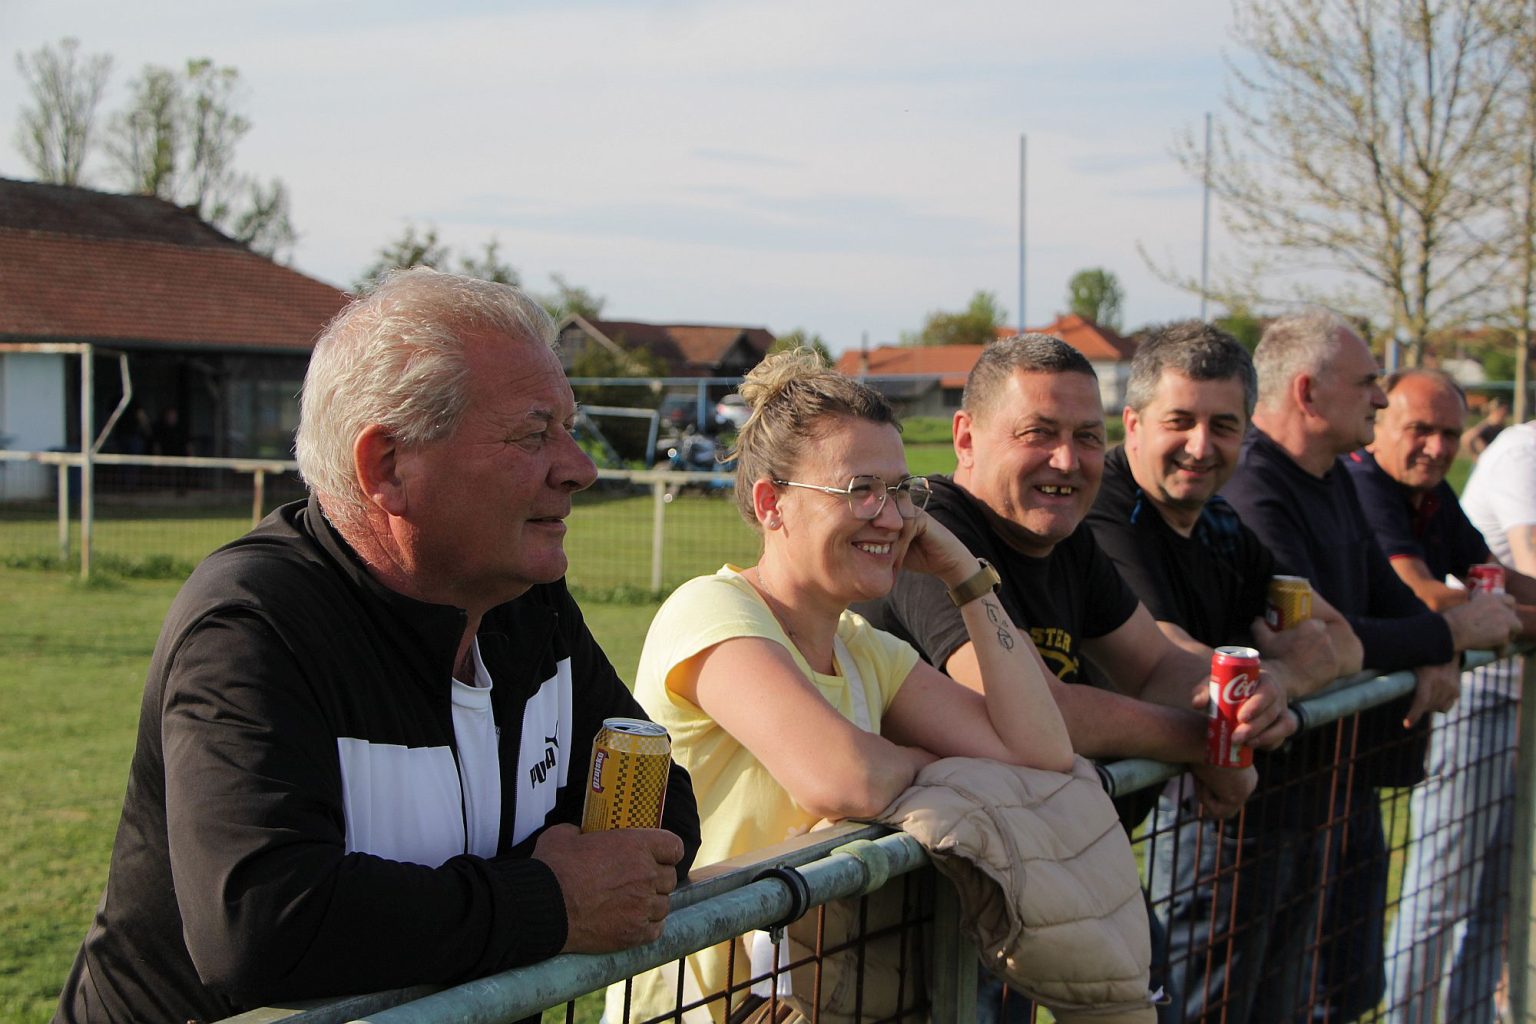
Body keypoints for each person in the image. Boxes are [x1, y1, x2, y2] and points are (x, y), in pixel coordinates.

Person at [54, 268, 701, 1024]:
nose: (580, 468)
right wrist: (548, 900)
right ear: (387, 467)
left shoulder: (528, 607)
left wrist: (554, 891)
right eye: (533, 435)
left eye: (568, 427)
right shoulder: (255, 623)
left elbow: (664, 808)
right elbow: (260, 925)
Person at [609, 348, 1076, 1024]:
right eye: (861, 490)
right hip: (695, 1008)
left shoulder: (862, 647)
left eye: (901, 490)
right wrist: (942, 768)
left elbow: (1042, 751)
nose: (893, 517)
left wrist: (966, 577)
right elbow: (844, 779)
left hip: (812, 1002)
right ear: (771, 504)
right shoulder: (711, 611)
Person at [856, 333, 1294, 1023]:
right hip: (928, 907)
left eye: (1088, 437)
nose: (1067, 460)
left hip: (1037, 865)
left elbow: (1155, 663)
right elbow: (1036, 713)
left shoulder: (1066, 540)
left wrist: (1244, 700)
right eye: (1039, 433)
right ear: (966, 437)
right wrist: (1205, 743)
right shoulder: (932, 535)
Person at [1221, 310, 1519, 1022]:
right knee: (1243, 999)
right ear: (1307, 392)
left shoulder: (1332, 478)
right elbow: (1327, 635)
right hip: (1257, 805)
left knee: (1343, 989)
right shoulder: (1254, 486)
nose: (1380, 399)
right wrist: (1442, 636)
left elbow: (1394, 608)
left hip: (1337, 783)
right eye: (1368, 384)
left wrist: (1433, 643)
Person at [1084, 321, 1363, 1024]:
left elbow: (1340, 643)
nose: (1201, 445)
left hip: (1108, 834)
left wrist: (1280, 682)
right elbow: (1165, 652)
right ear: (1133, 424)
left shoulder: (1221, 527)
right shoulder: (1103, 512)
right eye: (1180, 420)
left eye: (1225, 425)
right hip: (1048, 829)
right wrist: (1271, 679)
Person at [1353, 370, 1536, 1024]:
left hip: (1432, 710)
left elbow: (1499, 580)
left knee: (1496, 891)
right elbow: (1426, 596)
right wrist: (1496, 616)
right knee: (1435, 891)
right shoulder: (1366, 484)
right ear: (1379, 422)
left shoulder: (1432, 494)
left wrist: (1502, 611)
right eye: (1421, 430)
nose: (1437, 447)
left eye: (1451, 433)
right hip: (1353, 736)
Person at [1460, 394, 1509, 459]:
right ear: (1496, 411)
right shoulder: (1488, 425)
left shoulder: (1499, 426)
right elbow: (1466, 438)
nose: (1505, 414)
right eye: (1504, 411)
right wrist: (1476, 456)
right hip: (1487, 461)